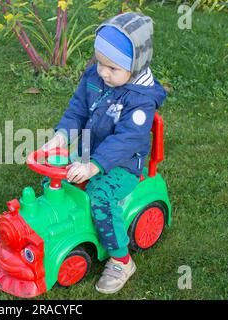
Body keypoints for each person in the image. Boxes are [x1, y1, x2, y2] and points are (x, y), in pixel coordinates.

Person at [42, 12, 167, 294]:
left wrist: (95, 165)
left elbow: (127, 140)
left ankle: (121, 259)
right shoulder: (95, 78)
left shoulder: (140, 101)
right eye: (99, 62)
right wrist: (60, 137)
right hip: (88, 154)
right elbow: (76, 111)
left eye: (112, 67)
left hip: (121, 166)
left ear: (134, 67)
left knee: (99, 195)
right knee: (57, 182)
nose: (102, 72)